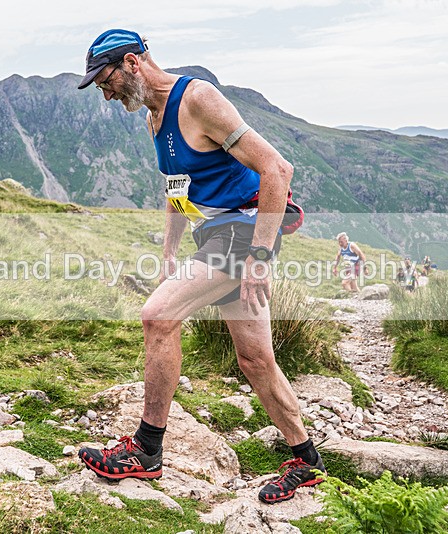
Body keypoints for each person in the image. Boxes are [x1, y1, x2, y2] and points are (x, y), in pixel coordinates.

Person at [75, 29, 325, 504]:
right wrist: (170, 249)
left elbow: (277, 169)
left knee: (158, 316)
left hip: (244, 234)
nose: (104, 93)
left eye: (104, 80)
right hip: (213, 236)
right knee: (255, 360)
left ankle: (146, 450)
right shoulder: (154, 119)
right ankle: (307, 461)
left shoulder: (198, 98)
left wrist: (259, 258)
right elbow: (179, 189)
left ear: (131, 63)